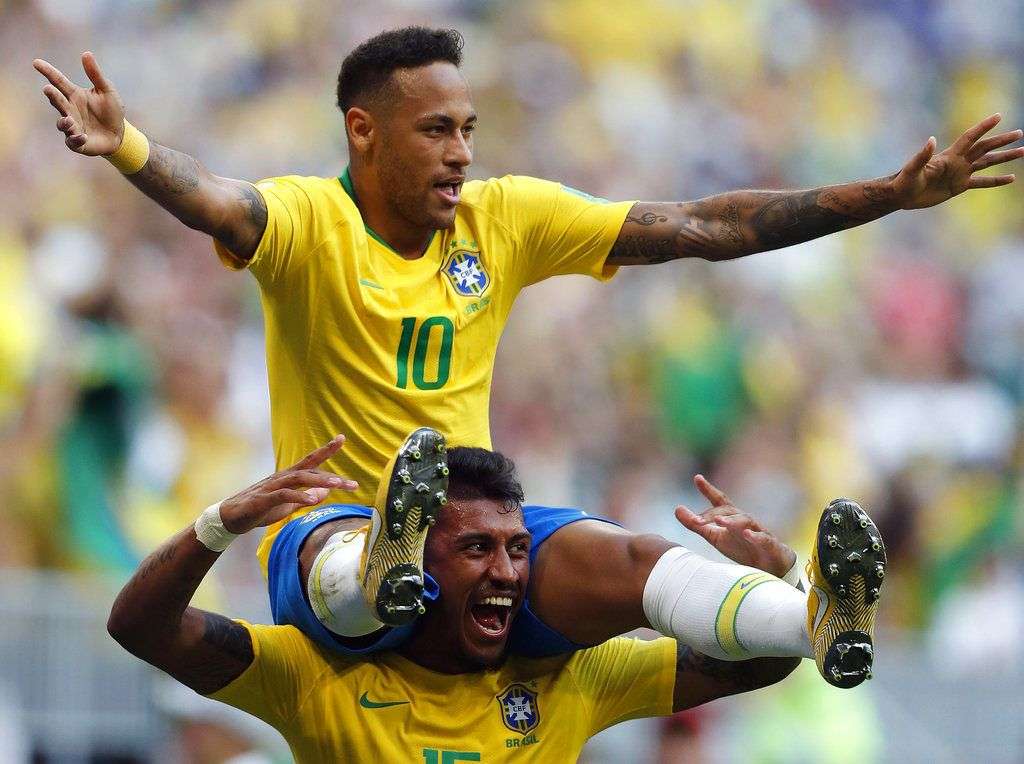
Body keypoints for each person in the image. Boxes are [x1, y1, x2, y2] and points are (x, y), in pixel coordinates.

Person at [35, 26, 1015, 686]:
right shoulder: (310, 220)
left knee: (632, 559)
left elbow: (701, 225)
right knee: (335, 549)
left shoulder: (503, 218)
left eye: (467, 128)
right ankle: (385, 564)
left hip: (479, 526)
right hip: (330, 518)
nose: (461, 151)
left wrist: (885, 194)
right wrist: (129, 149)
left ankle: (809, 619)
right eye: (435, 130)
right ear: (362, 132)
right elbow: (217, 199)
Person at [107, 433, 882, 761]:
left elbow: (751, 671)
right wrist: (222, 522)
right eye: (477, 549)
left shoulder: (570, 679)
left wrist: (784, 577)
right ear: (418, 563)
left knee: (665, 577)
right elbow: (140, 626)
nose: (509, 573)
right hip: (338, 588)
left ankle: (810, 605)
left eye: (517, 550)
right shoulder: (315, 678)